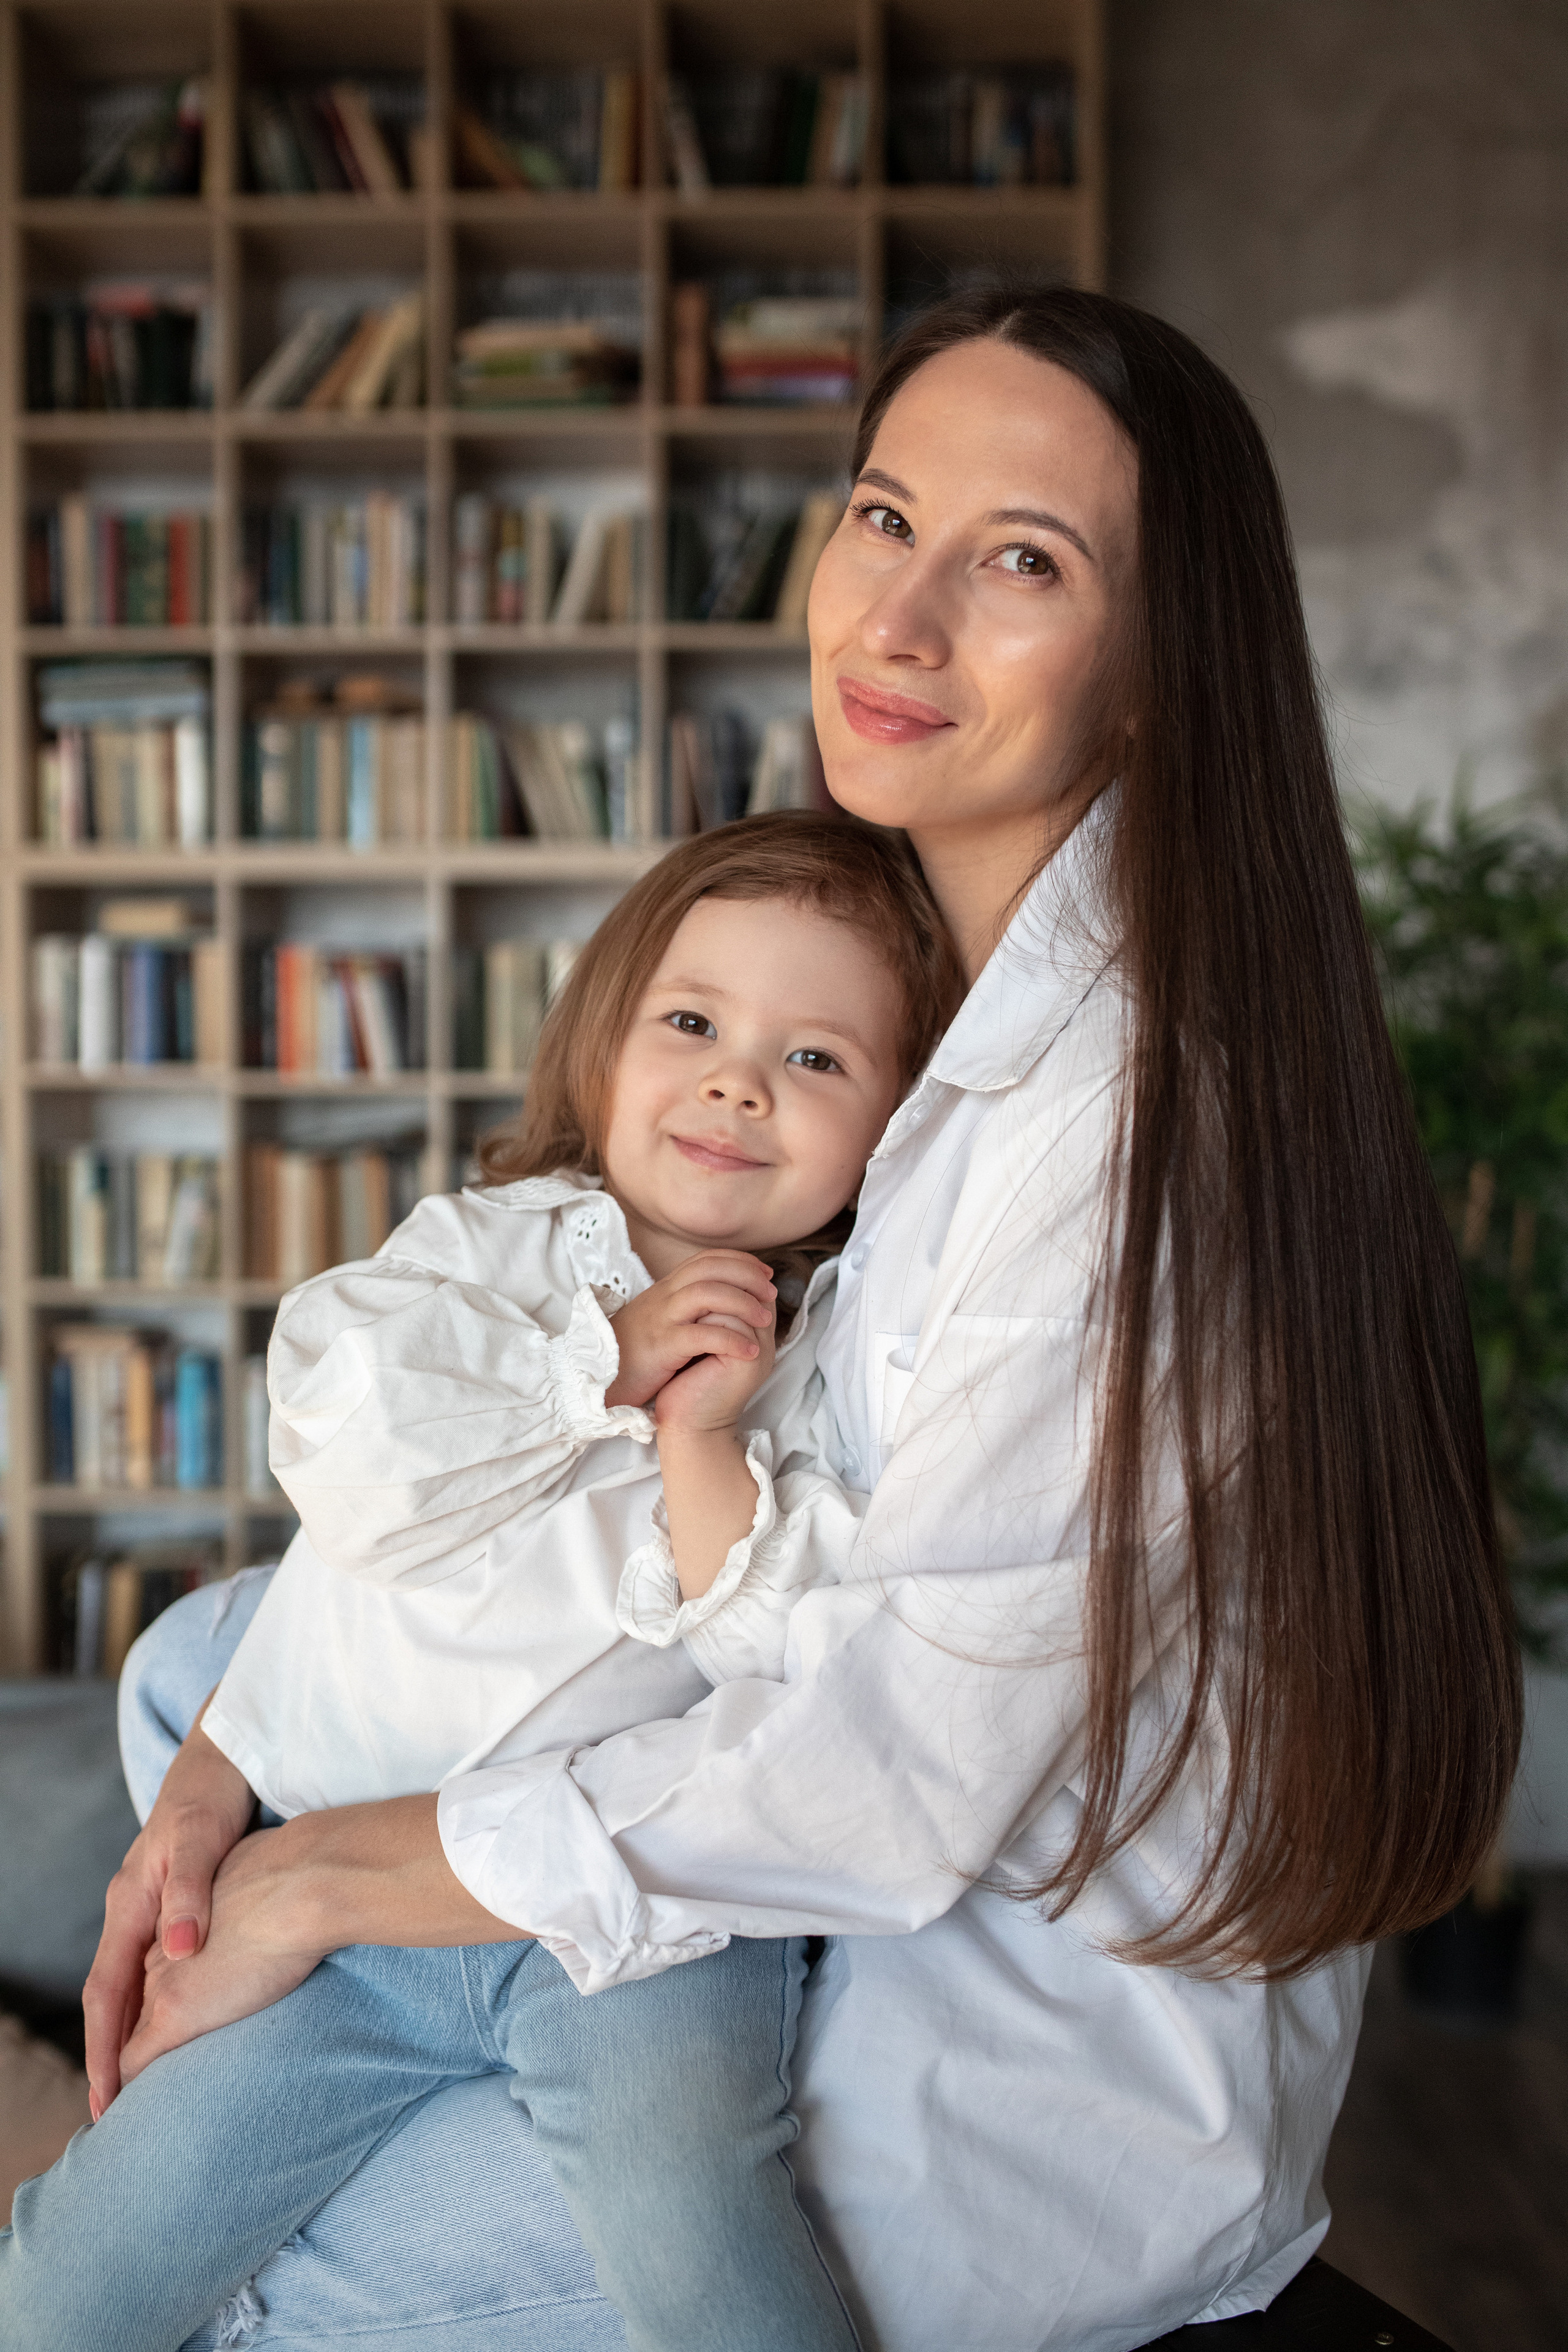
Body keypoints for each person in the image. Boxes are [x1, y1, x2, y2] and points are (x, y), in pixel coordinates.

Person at [19, 286, 1523, 2352]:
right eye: (885, 517)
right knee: (202, 1665)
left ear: (1169, 671)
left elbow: (876, 1783)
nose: (896, 625)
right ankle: (396, 1938)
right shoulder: (927, 1021)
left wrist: (317, 1875)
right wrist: (220, 1781)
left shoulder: (1130, 1140)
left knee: (239, 2261)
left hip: (974, 2055)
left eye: (1022, 562)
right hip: (792, 1792)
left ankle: (445, 2012)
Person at [1, 815, 963, 2352]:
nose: (735, 1082)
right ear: (605, 1040)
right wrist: (601, 1358)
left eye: (815, 1061)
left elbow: (794, 1663)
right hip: (347, 1921)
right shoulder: (485, 1247)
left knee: (701, 2235)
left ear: (895, 1127)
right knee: (80, 2275)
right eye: (696, 1025)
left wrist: (705, 1439)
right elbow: (343, 1443)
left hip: (639, 1934)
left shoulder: (829, 1360)